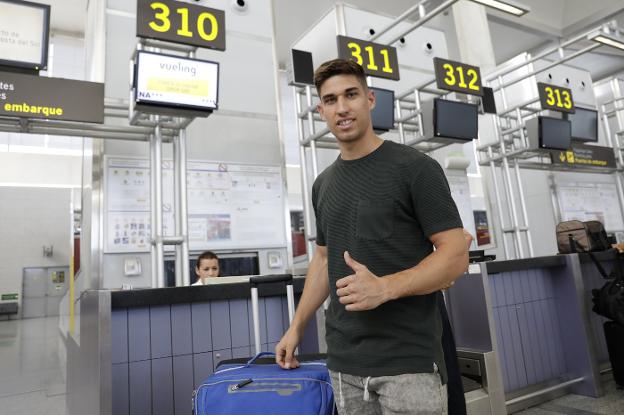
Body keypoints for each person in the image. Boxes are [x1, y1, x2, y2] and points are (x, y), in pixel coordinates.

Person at [275, 59, 469, 415]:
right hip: (344, 361)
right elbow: (322, 260)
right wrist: (296, 327)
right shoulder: (324, 184)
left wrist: (385, 287)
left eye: (351, 95)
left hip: (408, 361)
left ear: (370, 99)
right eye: (331, 100)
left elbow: (456, 254)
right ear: (321, 110)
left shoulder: (415, 168)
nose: (342, 107)